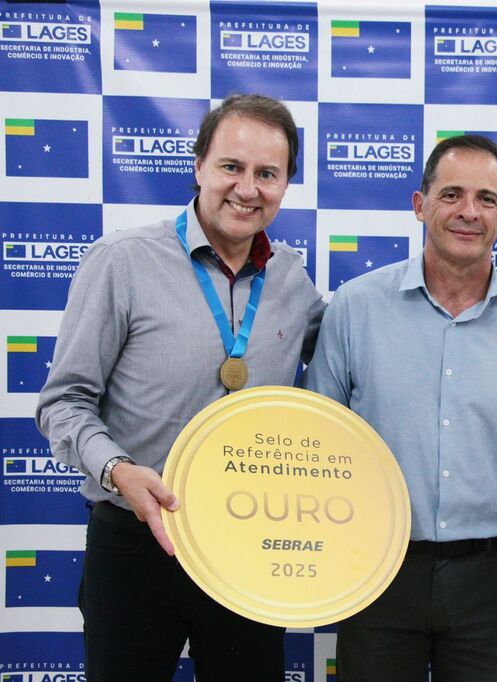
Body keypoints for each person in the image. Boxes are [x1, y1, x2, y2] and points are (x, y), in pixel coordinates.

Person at [36, 94, 325, 682]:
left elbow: (350, 363)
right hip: (136, 542)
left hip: (248, 548)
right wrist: (117, 469)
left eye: (267, 174)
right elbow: (63, 402)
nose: (247, 188)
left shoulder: (292, 278)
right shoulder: (122, 261)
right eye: (231, 167)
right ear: (199, 166)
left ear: (285, 184)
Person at [303, 134, 497, 681]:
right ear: (420, 205)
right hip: (375, 569)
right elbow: (320, 442)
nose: (469, 211)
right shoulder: (354, 308)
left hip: (489, 580)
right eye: (451, 194)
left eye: (486, 199)